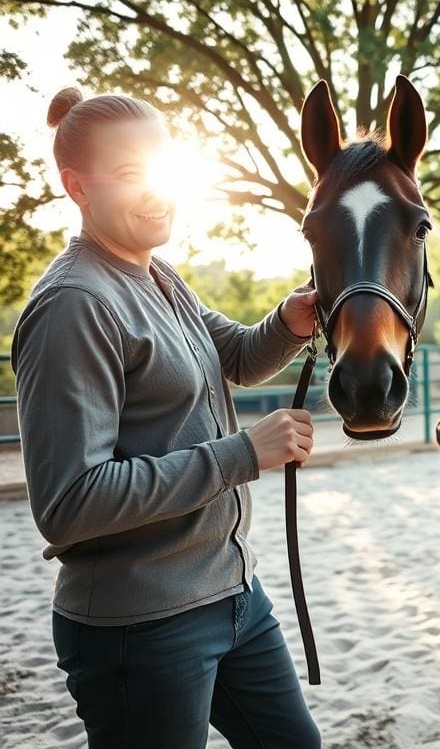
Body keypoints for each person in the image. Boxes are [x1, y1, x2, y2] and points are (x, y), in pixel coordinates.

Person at [11, 86, 323, 748]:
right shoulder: (75, 305)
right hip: (141, 626)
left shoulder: (159, 276)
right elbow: (69, 502)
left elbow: (231, 355)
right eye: (130, 175)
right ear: (76, 186)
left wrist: (289, 324)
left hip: (233, 595)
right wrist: (242, 454)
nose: (157, 191)